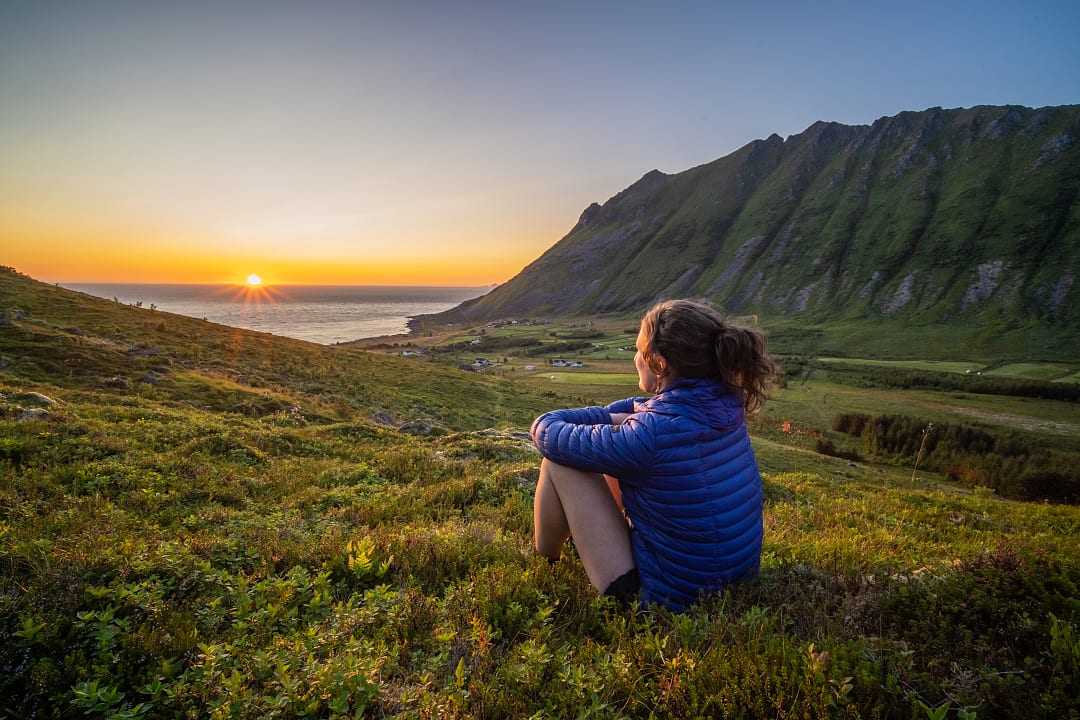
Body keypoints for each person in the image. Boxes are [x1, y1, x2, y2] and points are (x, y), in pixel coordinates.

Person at [529, 299, 778, 611]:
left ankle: (544, 560)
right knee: (612, 459)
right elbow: (649, 416)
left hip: (664, 600)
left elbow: (548, 433)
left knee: (558, 463)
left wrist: (546, 420)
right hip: (734, 580)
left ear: (660, 364)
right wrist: (622, 415)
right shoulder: (727, 404)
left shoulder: (651, 434)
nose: (635, 358)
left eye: (638, 350)